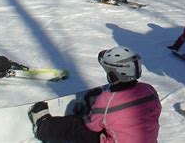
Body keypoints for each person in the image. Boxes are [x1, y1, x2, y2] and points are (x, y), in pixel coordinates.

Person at [29, 46, 161, 143]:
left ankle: (43, 126)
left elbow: (91, 126)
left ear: (112, 75)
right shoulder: (149, 90)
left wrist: (91, 112)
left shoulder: (107, 101)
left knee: (76, 126)